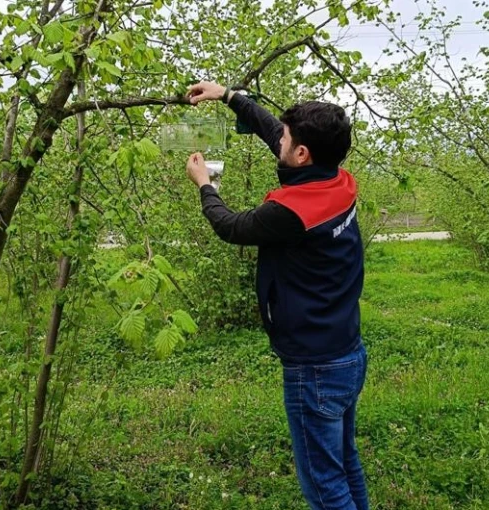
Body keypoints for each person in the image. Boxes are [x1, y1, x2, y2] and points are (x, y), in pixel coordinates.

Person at [185, 82, 368, 510]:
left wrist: (204, 185)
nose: (277, 140)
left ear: (302, 154)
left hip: (315, 366)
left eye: (286, 140)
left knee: (324, 485)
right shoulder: (338, 180)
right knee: (344, 462)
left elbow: (232, 227)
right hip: (346, 350)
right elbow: (275, 132)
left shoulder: (292, 211)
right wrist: (228, 95)